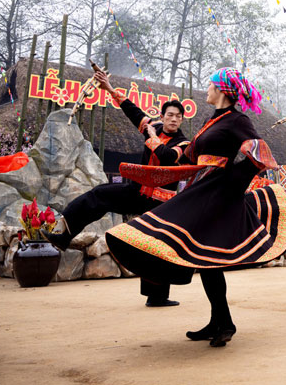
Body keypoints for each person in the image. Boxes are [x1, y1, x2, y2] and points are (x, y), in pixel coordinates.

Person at [105, 68, 286, 347]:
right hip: (202, 189)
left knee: (206, 257)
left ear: (221, 90)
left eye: (211, 84)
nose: (207, 88)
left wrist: (233, 180)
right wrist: (154, 146)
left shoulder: (238, 120)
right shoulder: (211, 120)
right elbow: (187, 156)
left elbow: (261, 154)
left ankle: (223, 323)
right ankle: (221, 322)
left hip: (218, 195)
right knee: (207, 260)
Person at [45, 71, 190, 307]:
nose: (174, 119)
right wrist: (109, 88)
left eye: (178, 117)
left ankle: (157, 297)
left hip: (160, 202)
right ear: (162, 116)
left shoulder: (183, 143)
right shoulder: (153, 126)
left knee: (155, 245)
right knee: (100, 194)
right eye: (170, 115)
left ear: (181, 120)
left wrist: (152, 136)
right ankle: (64, 235)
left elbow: (165, 157)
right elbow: (132, 110)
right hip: (137, 192)